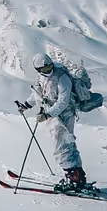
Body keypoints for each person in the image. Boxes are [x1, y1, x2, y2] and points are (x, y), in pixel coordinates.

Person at [18, 53, 87, 192]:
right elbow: (37, 94)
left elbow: (63, 101)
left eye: (49, 66)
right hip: (54, 116)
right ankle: (78, 177)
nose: (48, 70)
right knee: (68, 146)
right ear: (38, 70)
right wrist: (26, 105)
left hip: (64, 116)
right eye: (44, 69)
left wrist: (47, 114)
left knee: (61, 148)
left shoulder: (62, 77)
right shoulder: (42, 78)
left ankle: (73, 180)